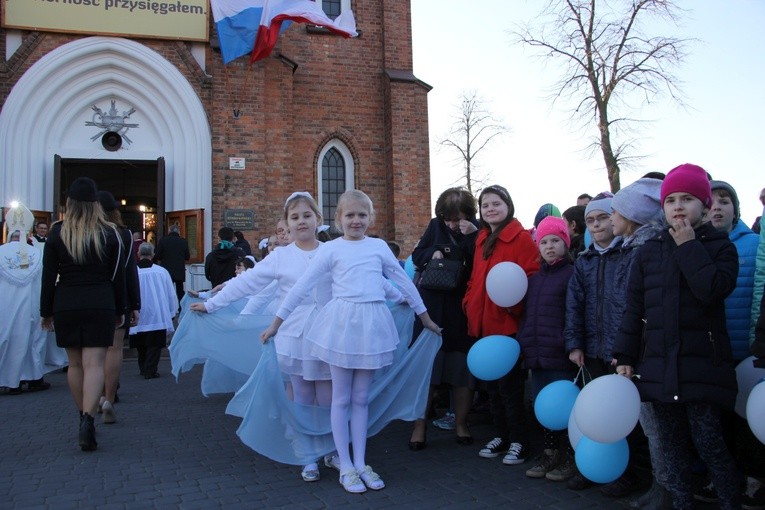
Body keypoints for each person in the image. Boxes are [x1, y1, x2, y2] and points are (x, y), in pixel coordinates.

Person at [260, 189, 442, 494]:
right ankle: (344, 464)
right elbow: (301, 288)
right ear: (337, 219)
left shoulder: (379, 247)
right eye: (350, 215)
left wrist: (425, 318)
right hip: (341, 327)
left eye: (361, 215)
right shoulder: (331, 251)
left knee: (360, 398)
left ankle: (360, 462)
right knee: (341, 398)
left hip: (371, 327)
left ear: (370, 218)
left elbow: (402, 284)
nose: (355, 221)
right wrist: (276, 323)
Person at [614, 163, 741, 510]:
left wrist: (687, 246)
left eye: (688, 198)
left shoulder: (720, 246)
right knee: (672, 451)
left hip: (702, 366)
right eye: (670, 200)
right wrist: (624, 355)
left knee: (710, 445)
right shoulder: (649, 250)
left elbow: (713, 290)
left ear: (704, 204)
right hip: (657, 365)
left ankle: (731, 501)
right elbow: (634, 308)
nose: (678, 206)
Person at [192, 192, 336, 483]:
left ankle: (331, 446)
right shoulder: (281, 256)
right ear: (287, 223)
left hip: (328, 331)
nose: (301, 222)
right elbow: (247, 284)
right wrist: (212, 304)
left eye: (307, 216)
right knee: (303, 394)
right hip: (295, 333)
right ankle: (307, 451)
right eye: (294, 218)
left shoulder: (333, 252)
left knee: (330, 396)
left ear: (318, 220)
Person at [40, 177, 126, 451]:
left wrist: (46, 311)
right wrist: (122, 308)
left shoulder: (57, 232)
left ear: (70, 204)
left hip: (66, 302)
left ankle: (82, 416)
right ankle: (89, 418)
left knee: (75, 365)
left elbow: (48, 276)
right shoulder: (110, 233)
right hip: (100, 301)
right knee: (94, 364)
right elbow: (117, 276)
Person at [691, 180, 760, 506]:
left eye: (725, 201)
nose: (717, 207)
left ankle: (753, 480)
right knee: (715, 425)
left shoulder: (754, 244)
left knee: (747, 423)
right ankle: (718, 478)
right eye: (712, 201)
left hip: (744, 353)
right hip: (710, 354)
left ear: (736, 209)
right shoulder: (695, 247)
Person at [463, 185, 539, 467]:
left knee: (510, 390)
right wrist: (468, 302)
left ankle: (520, 440)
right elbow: (475, 278)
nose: (491, 209)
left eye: (496, 203)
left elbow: (530, 279)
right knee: (491, 390)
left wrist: (513, 308)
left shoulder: (521, 239)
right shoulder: (482, 238)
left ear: (508, 205)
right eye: (485, 205)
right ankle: (502, 435)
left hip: (506, 327)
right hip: (482, 326)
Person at [408, 188, 479, 451]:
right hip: (432, 306)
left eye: (456, 219)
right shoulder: (435, 226)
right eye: (447, 219)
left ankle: (461, 423)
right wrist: (432, 254)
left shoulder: (477, 230)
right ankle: (419, 426)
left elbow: (480, 263)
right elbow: (417, 255)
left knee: (462, 370)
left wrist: (472, 237)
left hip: (460, 309)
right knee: (427, 371)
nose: (451, 224)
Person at [564, 192, 624, 490]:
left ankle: (622, 473)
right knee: (593, 410)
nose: (597, 225)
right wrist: (574, 344)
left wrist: (625, 348)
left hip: (618, 351)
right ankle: (591, 466)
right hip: (590, 349)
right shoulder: (584, 261)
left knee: (621, 413)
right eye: (591, 220)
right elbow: (574, 305)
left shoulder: (628, 255)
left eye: (602, 218)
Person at [517, 216, 577, 481]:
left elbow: (574, 314)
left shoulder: (572, 274)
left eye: (555, 240)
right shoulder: (535, 279)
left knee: (565, 408)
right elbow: (528, 316)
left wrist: (571, 344)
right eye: (544, 241)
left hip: (561, 355)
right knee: (543, 408)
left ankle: (569, 456)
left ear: (566, 242)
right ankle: (550, 453)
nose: (550, 246)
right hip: (537, 355)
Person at [96, 190, 141, 425]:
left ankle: (91, 398)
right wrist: (135, 304)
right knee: (114, 349)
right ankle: (108, 398)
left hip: (87, 298)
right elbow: (129, 271)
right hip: (116, 296)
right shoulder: (123, 234)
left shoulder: (81, 232)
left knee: (89, 353)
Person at [0, 205, 52, 394]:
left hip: (5, 307)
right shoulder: (37, 254)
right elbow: (43, 281)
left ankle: (7, 380)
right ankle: (32, 378)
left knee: (7, 340)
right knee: (32, 342)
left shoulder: (0, 252)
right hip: (31, 306)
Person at [129, 242, 177, 379]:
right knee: (154, 344)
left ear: (138, 254)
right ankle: (150, 369)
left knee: (141, 344)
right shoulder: (161, 272)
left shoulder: (133, 271)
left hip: (139, 312)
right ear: (153, 254)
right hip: (157, 313)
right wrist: (171, 311)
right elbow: (170, 293)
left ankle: (144, 367)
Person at [154, 224, 190, 306]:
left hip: (167, 270)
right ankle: (182, 310)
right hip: (179, 270)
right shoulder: (183, 241)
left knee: (167, 291)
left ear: (169, 231)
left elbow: (157, 255)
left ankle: (169, 311)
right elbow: (187, 256)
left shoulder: (163, 240)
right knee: (180, 291)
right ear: (178, 232)